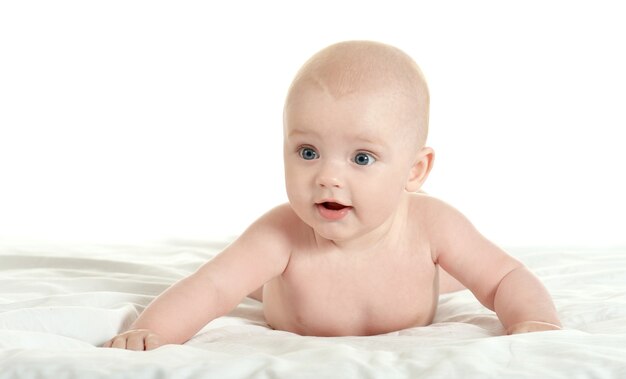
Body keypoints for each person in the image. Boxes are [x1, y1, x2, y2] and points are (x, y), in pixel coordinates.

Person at [103, 40, 561, 351]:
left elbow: (504, 278)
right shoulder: (281, 234)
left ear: (414, 170)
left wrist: (534, 322)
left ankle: (443, 276)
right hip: (277, 285)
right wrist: (152, 331)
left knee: (466, 271)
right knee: (245, 274)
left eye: (361, 158)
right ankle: (268, 283)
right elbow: (212, 287)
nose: (327, 177)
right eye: (308, 151)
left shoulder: (432, 226)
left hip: (422, 257)